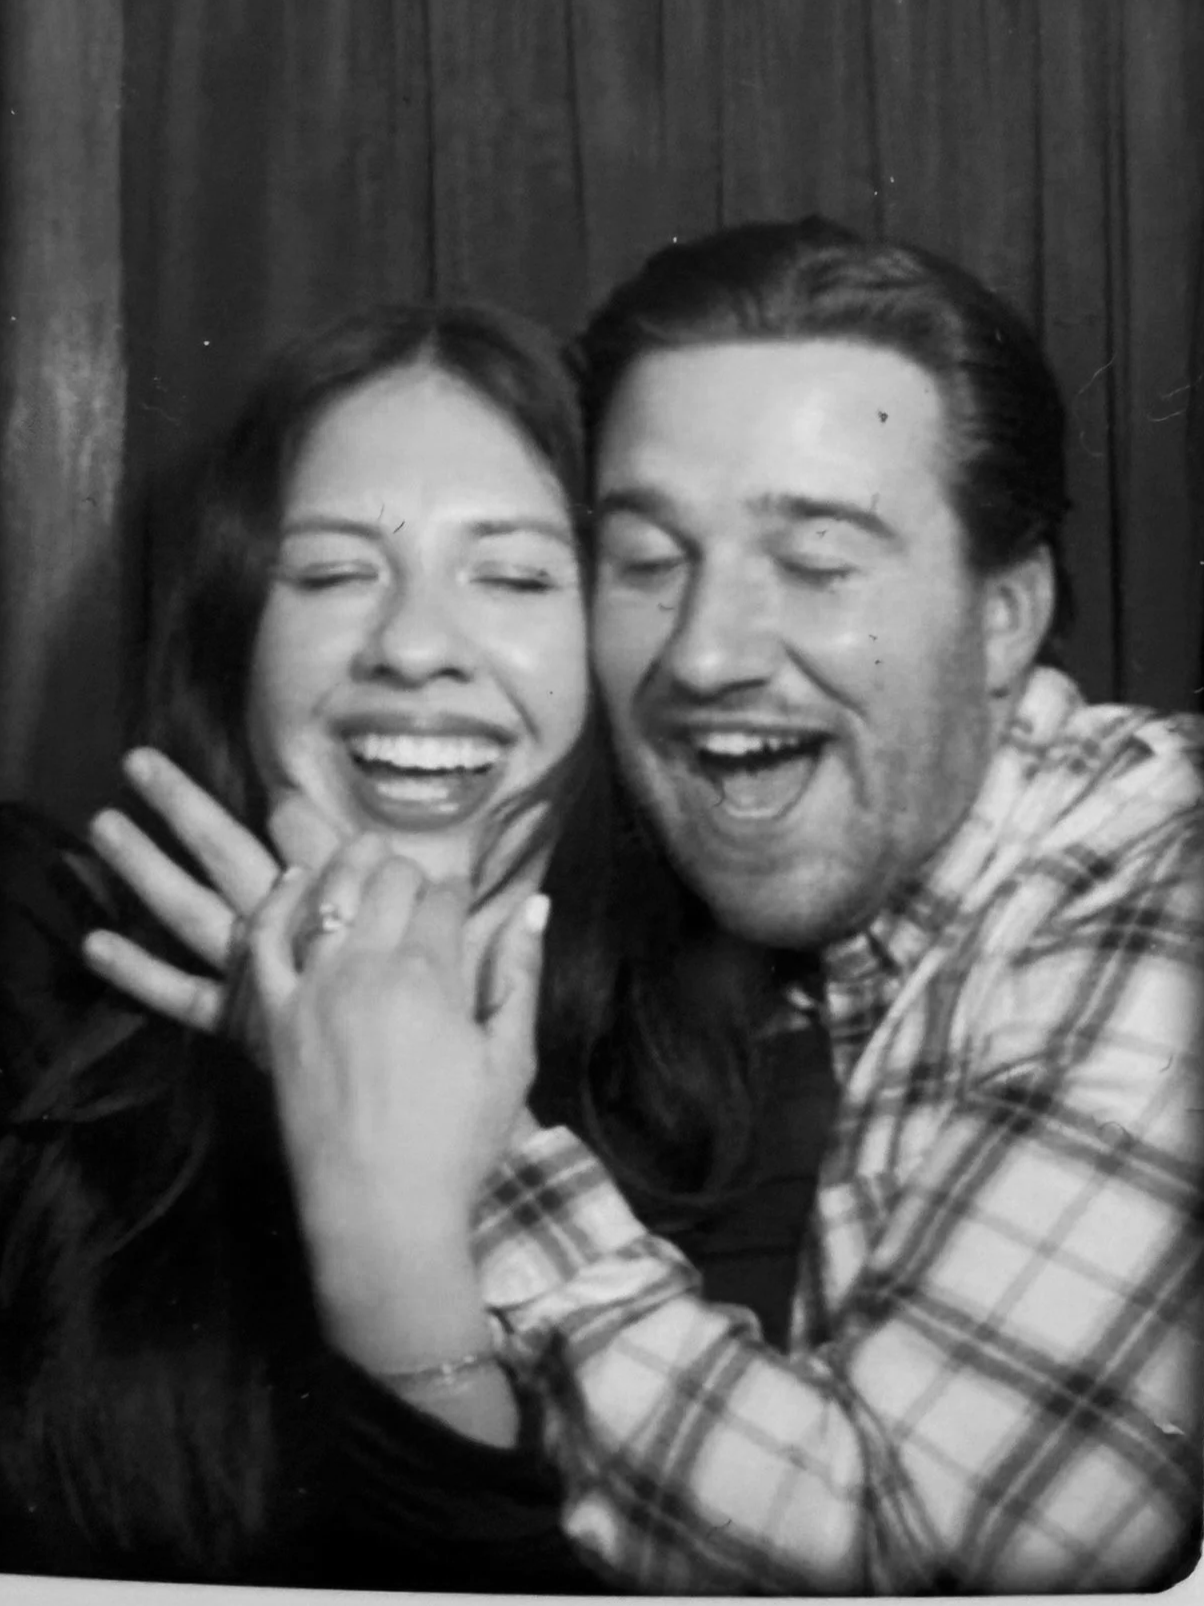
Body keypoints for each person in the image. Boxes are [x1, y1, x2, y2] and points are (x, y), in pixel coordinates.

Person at [63, 219, 1203, 1594]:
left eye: (818, 561)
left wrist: (420, 1135)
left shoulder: (1138, 883)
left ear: (1007, 616)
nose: (707, 652)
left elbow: (926, 1554)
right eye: (650, 563)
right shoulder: (836, 973)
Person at [0, 299, 611, 1589]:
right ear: (238, 644)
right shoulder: (29, 972)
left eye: (513, 577)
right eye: (334, 575)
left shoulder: (767, 1055)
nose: (416, 649)